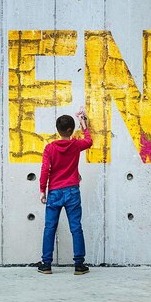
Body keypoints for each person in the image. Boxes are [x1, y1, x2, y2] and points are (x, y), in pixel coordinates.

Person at [37, 109, 92, 275]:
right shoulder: (76, 145)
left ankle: (46, 264)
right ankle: (79, 265)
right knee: (76, 227)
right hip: (72, 192)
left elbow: (45, 169)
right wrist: (84, 125)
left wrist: (42, 190)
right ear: (71, 130)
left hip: (54, 192)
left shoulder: (50, 148)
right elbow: (88, 141)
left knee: (50, 228)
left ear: (58, 129)